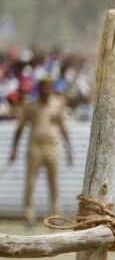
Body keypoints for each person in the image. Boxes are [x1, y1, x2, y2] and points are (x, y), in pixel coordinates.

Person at [8, 77, 72, 225]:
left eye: (48, 87)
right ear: (39, 89)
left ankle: (55, 216)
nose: (46, 90)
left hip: (52, 147)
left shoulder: (57, 104)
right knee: (30, 182)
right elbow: (19, 129)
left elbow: (64, 128)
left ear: (51, 89)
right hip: (35, 147)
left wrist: (69, 149)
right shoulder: (30, 106)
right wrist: (13, 150)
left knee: (54, 183)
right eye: (43, 87)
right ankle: (28, 215)